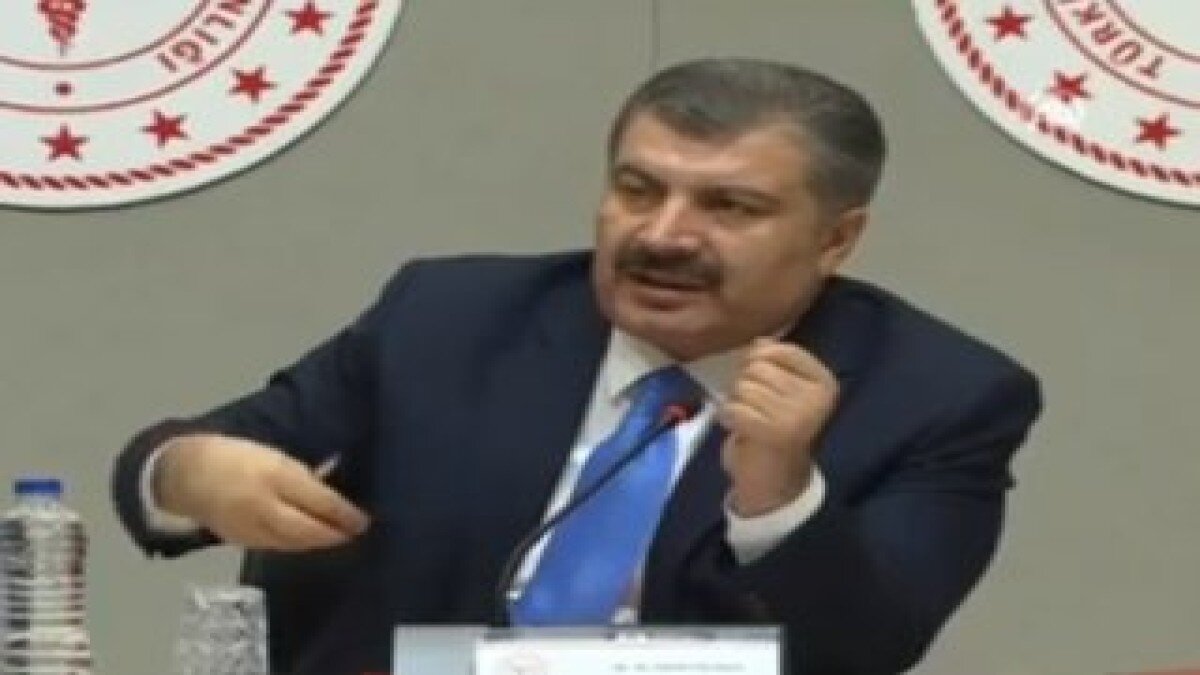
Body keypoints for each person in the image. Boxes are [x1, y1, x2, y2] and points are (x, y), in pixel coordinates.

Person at [111, 58, 1041, 674]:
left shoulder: (940, 394)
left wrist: (779, 497)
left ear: (836, 239)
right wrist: (190, 473)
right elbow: (168, 466)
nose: (663, 235)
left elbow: (869, 647)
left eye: (729, 207)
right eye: (637, 190)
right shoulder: (447, 317)